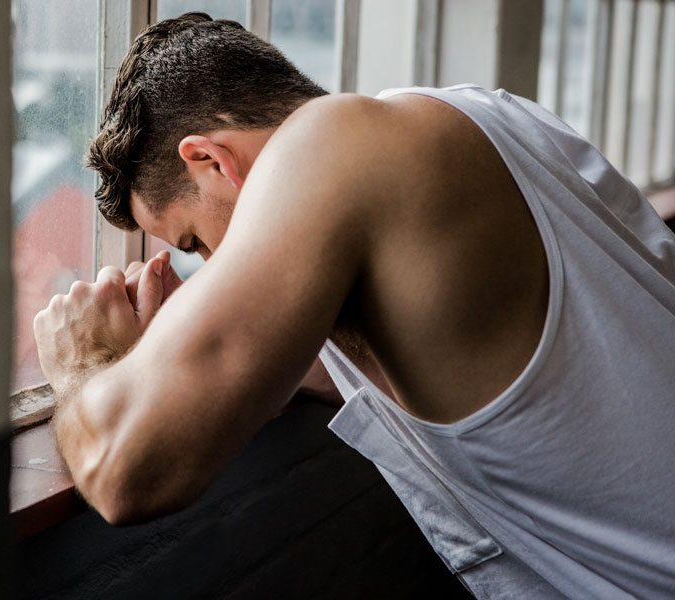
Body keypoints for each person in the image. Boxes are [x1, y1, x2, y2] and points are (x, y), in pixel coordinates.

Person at [33, 12, 675, 598]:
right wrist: (181, 342)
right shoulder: (480, 116)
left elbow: (124, 468)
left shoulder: (332, 145)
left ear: (211, 161)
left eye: (194, 241)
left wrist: (82, 360)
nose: (206, 264)